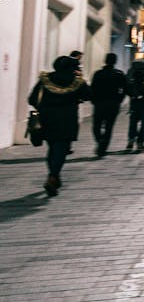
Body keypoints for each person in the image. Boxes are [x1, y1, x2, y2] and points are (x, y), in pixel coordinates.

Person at [28, 56, 91, 196]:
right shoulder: (77, 81)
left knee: (52, 147)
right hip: (67, 119)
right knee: (61, 148)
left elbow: (32, 98)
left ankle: (54, 176)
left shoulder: (45, 79)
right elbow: (88, 95)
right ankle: (53, 176)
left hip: (47, 118)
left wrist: (45, 106)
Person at [90, 52, 127, 156]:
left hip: (100, 103)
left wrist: (94, 100)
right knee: (109, 126)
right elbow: (125, 89)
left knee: (96, 125)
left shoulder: (98, 74)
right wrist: (120, 99)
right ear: (115, 61)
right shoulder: (119, 74)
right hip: (113, 103)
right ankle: (103, 146)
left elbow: (93, 88)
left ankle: (99, 141)